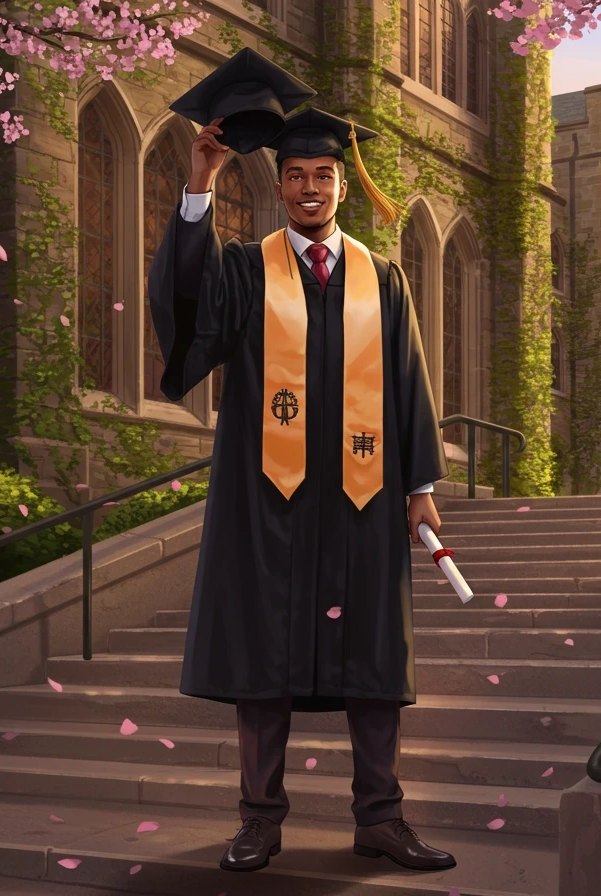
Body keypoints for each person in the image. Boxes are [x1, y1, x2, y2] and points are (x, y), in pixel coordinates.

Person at [147, 63, 455, 876]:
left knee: (376, 667)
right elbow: (185, 319)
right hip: (267, 498)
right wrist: (197, 189)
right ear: (279, 186)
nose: (311, 188)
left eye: (324, 175)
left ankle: (381, 820)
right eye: (296, 176)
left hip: (365, 496)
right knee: (263, 664)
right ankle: (259, 821)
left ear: (342, 188)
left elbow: (409, 381)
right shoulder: (247, 270)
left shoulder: (381, 278)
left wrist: (419, 489)